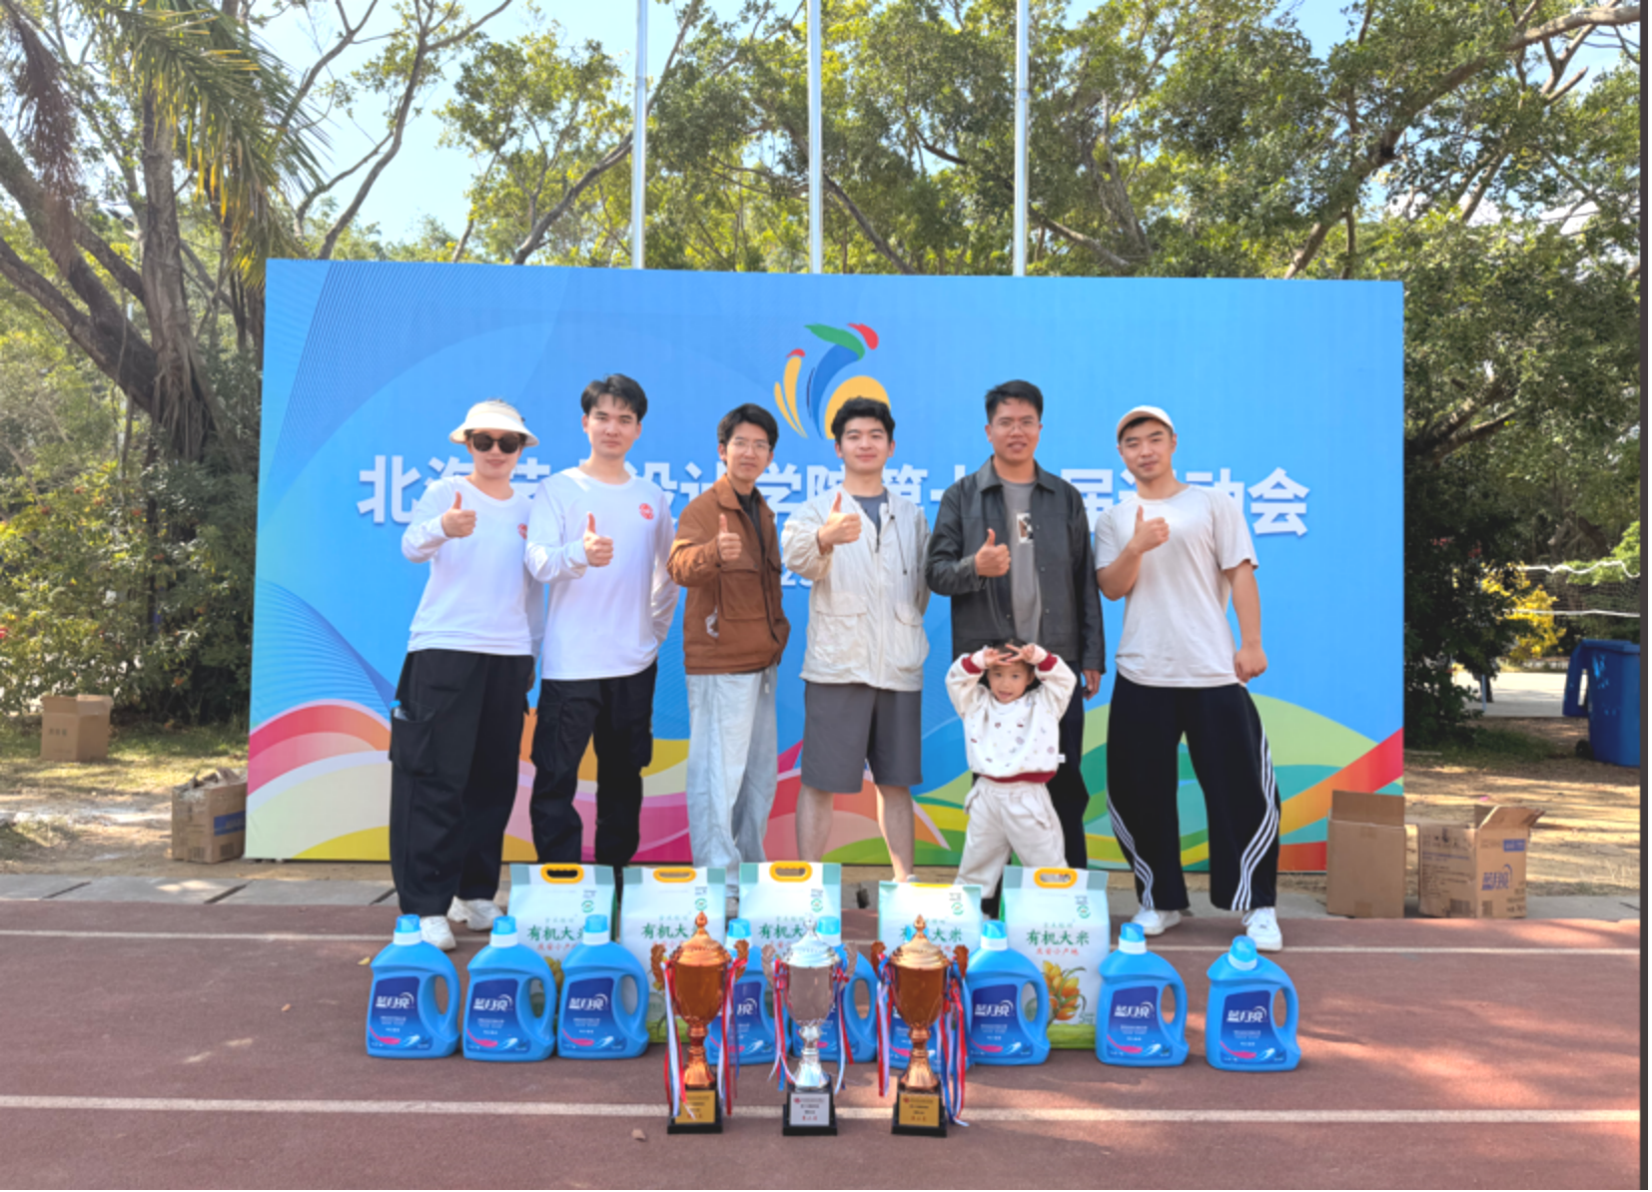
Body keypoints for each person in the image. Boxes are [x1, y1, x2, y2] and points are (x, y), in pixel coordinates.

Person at [1093, 405, 1282, 952]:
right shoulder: (1114, 517)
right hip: (1142, 671)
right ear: (1121, 454)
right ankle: (1160, 900)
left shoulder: (1212, 504)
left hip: (1211, 670)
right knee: (1139, 791)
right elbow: (1111, 587)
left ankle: (1258, 905)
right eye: (1133, 443)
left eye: (1154, 439)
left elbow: (1240, 574)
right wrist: (1135, 546)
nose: (1145, 450)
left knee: (1240, 789)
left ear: (1173, 442)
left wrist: (1251, 643)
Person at [924, 380, 1104, 898]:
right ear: (989, 430)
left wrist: (1090, 655)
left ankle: (1067, 901)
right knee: (992, 786)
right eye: (1006, 422)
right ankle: (990, 907)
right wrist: (974, 567)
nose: (1016, 431)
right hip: (992, 669)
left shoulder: (1064, 497)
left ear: (1040, 429)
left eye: (1026, 421)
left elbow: (1083, 580)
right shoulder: (962, 496)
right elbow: (936, 573)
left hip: (1052, 666)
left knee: (1063, 782)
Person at [390, 400, 543, 951]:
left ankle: (475, 891)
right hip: (444, 650)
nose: (496, 451)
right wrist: (442, 527)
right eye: (485, 441)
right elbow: (411, 546)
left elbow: (534, 590)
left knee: (492, 780)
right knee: (434, 777)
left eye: (508, 442)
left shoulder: (530, 509)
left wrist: (531, 653)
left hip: (508, 656)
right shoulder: (445, 493)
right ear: (467, 444)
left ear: (521, 449)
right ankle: (425, 906)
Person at [525, 375, 678, 889]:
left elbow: (669, 574)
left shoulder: (650, 496)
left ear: (638, 429)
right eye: (603, 417)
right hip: (571, 666)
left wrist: (651, 633)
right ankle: (561, 887)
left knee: (623, 779)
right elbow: (538, 561)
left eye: (624, 419)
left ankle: (615, 884)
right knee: (555, 779)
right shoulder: (559, 489)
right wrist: (579, 554)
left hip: (633, 666)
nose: (613, 428)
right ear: (585, 422)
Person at [781, 397, 929, 883]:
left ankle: (904, 883)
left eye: (875, 436)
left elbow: (921, 590)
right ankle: (808, 882)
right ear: (838, 447)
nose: (865, 444)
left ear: (891, 446)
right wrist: (823, 538)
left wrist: (899, 631)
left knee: (896, 783)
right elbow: (798, 560)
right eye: (854, 436)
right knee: (819, 782)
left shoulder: (912, 515)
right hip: (837, 667)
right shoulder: (816, 509)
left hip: (899, 668)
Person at [667, 404, 790, 914]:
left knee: (756, 781)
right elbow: (679, 566)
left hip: (762, 663)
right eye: (741, 443)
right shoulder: (704, 509)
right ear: (723, 450)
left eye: (761, 445)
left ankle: (748, 874)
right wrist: (714, 552)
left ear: (770, 456)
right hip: (720, 664)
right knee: (716, 780)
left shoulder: (763, 510)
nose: (751, 453)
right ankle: (718, 882)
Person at [944, 640, 1075, 900]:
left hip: (1027, 796)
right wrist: (979, 660)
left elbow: (1065, 680)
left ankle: (1056, 913)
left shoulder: (1044, 704)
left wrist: (1040, 657)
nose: (1005, 684)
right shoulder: (976, 703)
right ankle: (969, 913)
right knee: (975, 864)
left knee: (1046, 864)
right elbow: (955, 681)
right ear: (987, 675)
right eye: (997, 674)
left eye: (1015, 676)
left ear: (1030, 677)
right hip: (986, 795)